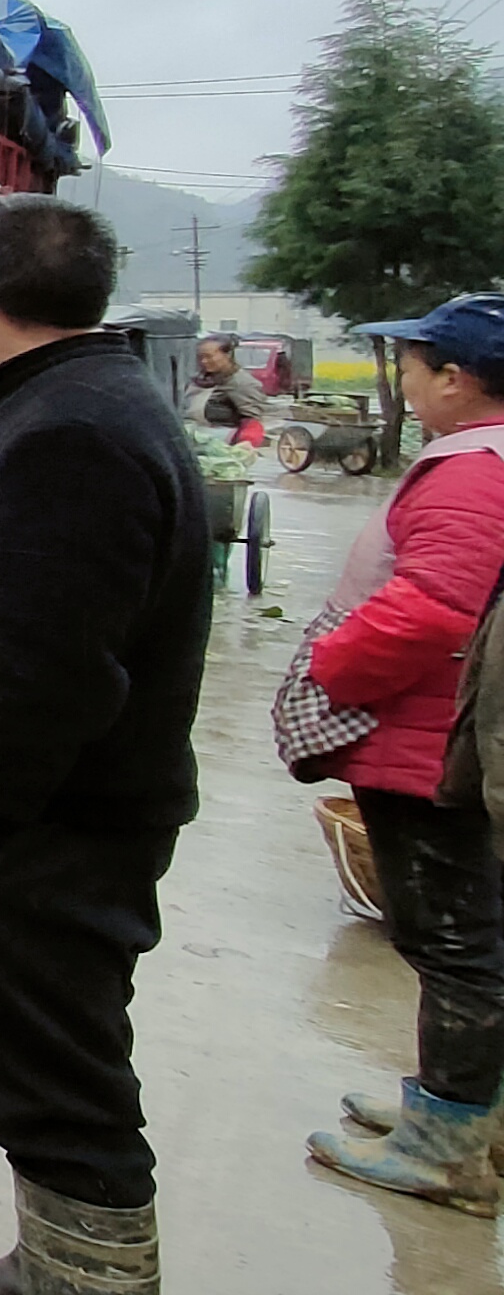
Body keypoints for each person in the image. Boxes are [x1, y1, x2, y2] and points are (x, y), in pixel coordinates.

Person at [0, 195, 209, 1295]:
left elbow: (55, 670)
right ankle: (58, 1266)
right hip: (54, 817)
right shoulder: (75, 403)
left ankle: (88, 1283)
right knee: (40, 1062)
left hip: (50, 827)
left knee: (61, 1076)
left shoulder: (71, 431)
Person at [301, 294, 504, 1214]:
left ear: (456, 380)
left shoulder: (473, 474)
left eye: (414, 367)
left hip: (431, 742)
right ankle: (455, 1109)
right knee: (461, 939)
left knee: (452, 942)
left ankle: (450, 1146)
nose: (407, 383)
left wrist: (332, 666)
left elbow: (431, 609)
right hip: (441, 731)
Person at [183, 333, 271, 448]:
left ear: (227, 355)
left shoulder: (241, 383)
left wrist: (246, 442)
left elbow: (253, 420)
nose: (204, 361)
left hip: (223, 445)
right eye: (201, 357)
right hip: (194, 440)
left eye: (209, 356)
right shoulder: (199, 380)